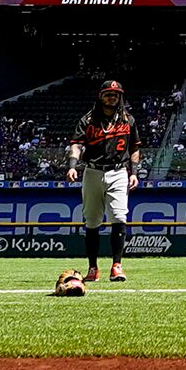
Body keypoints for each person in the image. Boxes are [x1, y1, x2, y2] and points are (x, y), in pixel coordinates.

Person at [67, 79, 141, 283]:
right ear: (100, 96)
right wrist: (73, 166)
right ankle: (93, 268)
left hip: (118, 172)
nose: (112, 97)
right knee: (92, 221)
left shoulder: (128, 120)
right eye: (108, 94)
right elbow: (76, 144)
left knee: (119, 217)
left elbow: (134, 148)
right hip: (92, 171)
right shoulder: (88, 120)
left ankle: (117, 266)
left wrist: (134, 172)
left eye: (116, 94)